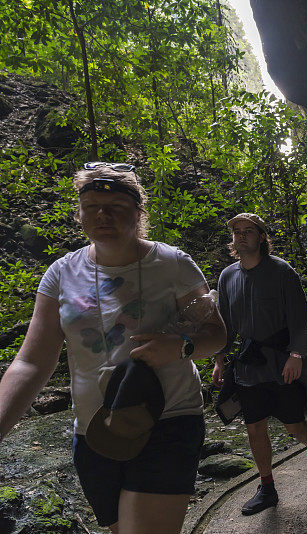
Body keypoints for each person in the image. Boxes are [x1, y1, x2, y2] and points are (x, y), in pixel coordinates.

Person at [0, 162, 227, 533]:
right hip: (94, 430)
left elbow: (216, 334)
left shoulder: (172, 265)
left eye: (115, 207)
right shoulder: (60, 274)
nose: (102, 215)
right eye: (91, 206)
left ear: (138, 213)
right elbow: (30, 362)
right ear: (80, 213)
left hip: (167, 421)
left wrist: (181, 346)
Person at [213, 213, 307, 516]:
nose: (240, 236)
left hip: (281, 362)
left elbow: (300, 317)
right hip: (247, 366)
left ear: (261, 237)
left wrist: (296, 355)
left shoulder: (281, 271)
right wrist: (219, 359)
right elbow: (225, 324)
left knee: (294, 425)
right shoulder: (227, 276)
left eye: (248, 231)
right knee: (255, 428)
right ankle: (267, 487)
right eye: (236, 232)